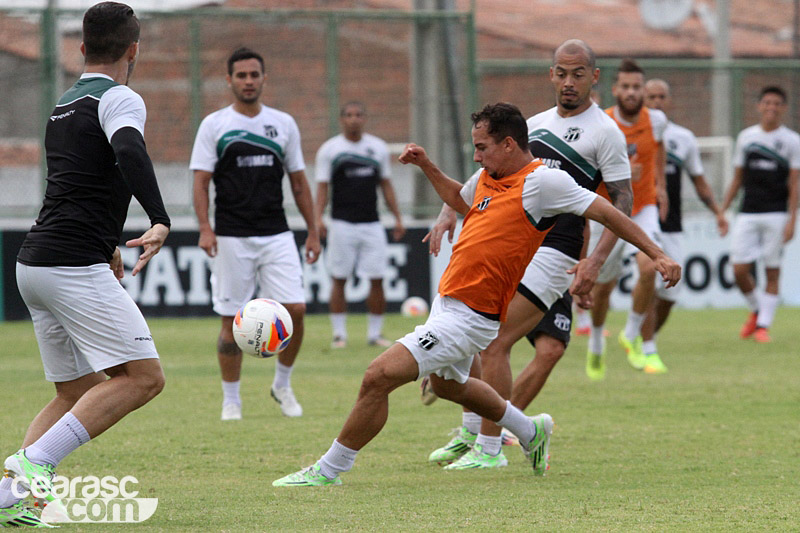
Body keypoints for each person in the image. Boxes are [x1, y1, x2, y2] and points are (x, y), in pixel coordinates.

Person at [271, 102, 680, 487]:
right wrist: (426, 165)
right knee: (449, 386)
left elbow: (608, 212)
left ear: (509, 144)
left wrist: (657, 254)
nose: (476, 156)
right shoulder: (490, 175)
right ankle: (530, 430)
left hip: (472, 316)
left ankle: (329, 469)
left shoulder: (544, 182)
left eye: (482, 147)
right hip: (448, 303)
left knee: (377, 376)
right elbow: (458, 199)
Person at [423, 39, 632, 470]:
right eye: (562, 73)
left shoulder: (606, 131)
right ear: (551, 74)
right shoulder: (533, 125)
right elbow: (487, 172)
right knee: (481, 336)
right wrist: (448, 212)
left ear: (594, 77)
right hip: (516, 246)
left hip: (557, 249)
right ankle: (473, 433)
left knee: (497, 340)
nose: (569, 82)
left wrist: (594, 261)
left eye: (578, 74)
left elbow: (622, 200)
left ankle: (489, 449)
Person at [0, 3, 170, 527]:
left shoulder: (64, 103)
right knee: (144, 378)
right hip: (71, 265)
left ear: (81, 48)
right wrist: (159, 218)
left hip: (36, 263)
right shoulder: (120, 97)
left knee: (76, 391)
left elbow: (80, 182)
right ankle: (35, 461)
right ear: (133, 49)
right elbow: (128, 151)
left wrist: (108, 242)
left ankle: (16, 496)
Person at [191, 47, 320, 420]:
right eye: (241, 75)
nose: (248, 81)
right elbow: (201, 182)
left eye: (254, 75)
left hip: (276, 232)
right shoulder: (214, 125)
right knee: (230, 320)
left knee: (296, 310)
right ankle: (231, 399)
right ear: (229, 80)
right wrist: (205, 228)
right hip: (231, 235)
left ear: (264, 79)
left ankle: (282, 384)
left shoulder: (283, 123)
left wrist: (313, 231)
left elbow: (299, 182)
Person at [587, 58, 668, 376]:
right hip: (608, 211)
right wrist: (618, 175)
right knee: (602, 287)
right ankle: (596, 342)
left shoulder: (656, 121)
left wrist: (660, 186)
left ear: (643, 90)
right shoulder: (601, 122)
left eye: (637, 86)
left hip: (643, 206)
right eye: (626, 86)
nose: (632, 92)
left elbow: (658, 151)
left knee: (650, 266)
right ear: (615, 89)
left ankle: (631, 333)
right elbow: (588, 170)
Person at [638, 79, 728, 364]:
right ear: (643, 100)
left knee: (670, 293)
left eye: (661, 96)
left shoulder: (683, 138)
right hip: (641, 221)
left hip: (673, 223)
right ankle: (647, 347)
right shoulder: (631, 133)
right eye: (651, 97)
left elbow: (698, 181)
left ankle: (643, 339)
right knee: (648, 281)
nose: (656, 102)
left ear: (669, 101)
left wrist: (718, 212)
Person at [314, 101, 405, 349]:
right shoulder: (330, 150)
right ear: (342, 119)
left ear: (364, 119)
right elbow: (322, 187)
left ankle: (375, 334)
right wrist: (317, 218)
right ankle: (339, 334)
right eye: (349, 115)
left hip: (372, 224)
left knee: (377, 279)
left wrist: (397, 217)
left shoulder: (377, 148)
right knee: (339, 278)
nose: (353, 119)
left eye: (358, 115)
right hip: (341, 224)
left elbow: (386, 185)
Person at [721, 86, 800, 342]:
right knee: (738, 270)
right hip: (748, 212)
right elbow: (737, 178)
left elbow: (794, 183)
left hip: (777, 213)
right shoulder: (747, 137)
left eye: (777, 103)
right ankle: (757, 310)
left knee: (772, 270)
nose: (771, 107)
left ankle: (763, 326)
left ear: (783, 108)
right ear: (759, 106)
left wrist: (792, 219)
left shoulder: (791, 141)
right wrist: (723, 209)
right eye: (767, 102)